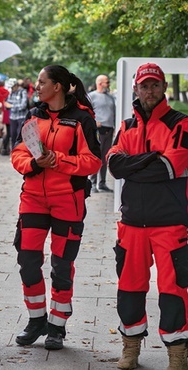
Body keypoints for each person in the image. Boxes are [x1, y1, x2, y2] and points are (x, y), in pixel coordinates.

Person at [11, 65, 101, 350]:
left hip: (68, 202)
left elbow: (94, 162)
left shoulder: (81, 119)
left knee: (62, 266)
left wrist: (59, 160)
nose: (37, 87)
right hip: (33, 199)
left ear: (57, 87)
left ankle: (57, 325)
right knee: (27, 262)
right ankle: (36, 319)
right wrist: (34, 164)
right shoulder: (32, 116)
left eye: (42, 82)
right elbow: (18, 153)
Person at [107, 63, 188, 370]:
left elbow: (171, 167)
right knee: (129, 289)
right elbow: (114, 166)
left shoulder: (181, 124)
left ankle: (177, 352)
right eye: (145, 85)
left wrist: (135, 165)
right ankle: (130, 349)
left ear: (164, 87)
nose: (150, 91)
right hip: (132, 225)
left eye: (155, 85)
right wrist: (152, 158)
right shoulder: (126, 126)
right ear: (136, 89)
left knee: (173, 291)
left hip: (171, 224)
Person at [88, 74, 116, 193]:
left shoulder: (110, 97)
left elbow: (113, 112)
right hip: (97, 130)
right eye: (107, 82)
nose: (109, 84)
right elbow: (86, 113)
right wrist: (94, 122)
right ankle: (92, 183)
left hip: (109, 130)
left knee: (105, 157)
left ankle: (102, 183)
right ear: (100, 83)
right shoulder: (91, 96)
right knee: (96, 156)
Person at [3, 79, 29, 153]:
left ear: (16, 85)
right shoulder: (11, 93)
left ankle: (21, 152)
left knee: (20, 135)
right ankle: (14, 152)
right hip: (13, 117)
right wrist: (7, 105)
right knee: (13, 135)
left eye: (12, 87)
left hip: (21, 117)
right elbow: (7, 103)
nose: (11, 89)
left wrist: (11, 106)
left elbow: (23, 106)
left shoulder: (23, 92)